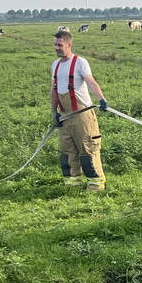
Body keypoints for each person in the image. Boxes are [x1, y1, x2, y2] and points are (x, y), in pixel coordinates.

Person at [51, 30, 109, 191]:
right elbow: (53, 90)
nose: (56, 48)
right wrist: (53, 112)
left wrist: (102, 99)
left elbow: (91, 82)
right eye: (55, 45)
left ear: (69, 45)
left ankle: (95, 185)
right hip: (64, 116)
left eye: (59, 45)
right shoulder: (55, 65)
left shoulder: (80, 62)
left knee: (87, 149)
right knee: (67, 151)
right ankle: (73, 185)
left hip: (82, 115)